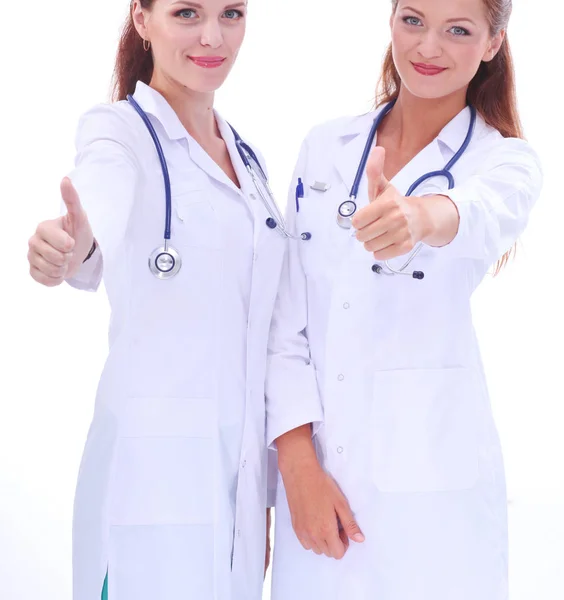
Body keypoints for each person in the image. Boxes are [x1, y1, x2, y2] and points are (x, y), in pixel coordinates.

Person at [266, 0, 543, 599]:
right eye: (412, 21)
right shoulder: (325, 148)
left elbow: (482, 209)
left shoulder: (505, 161)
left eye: (458, 31)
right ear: (390, 20)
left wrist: (421, 216)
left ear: (493, 43)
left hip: (435, 502)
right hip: (318, 487)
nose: (428, 48)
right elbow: (283, 320)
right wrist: (298, 467)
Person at [27, 1, 282, 599]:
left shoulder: (250, 161)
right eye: (187, 12)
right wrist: (75, 243)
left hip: (239, 488)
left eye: (232, 13)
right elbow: (99, 201)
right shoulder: (117, 131)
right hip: (150, 480)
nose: (213, 36)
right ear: (141, 18)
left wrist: (266, 492)